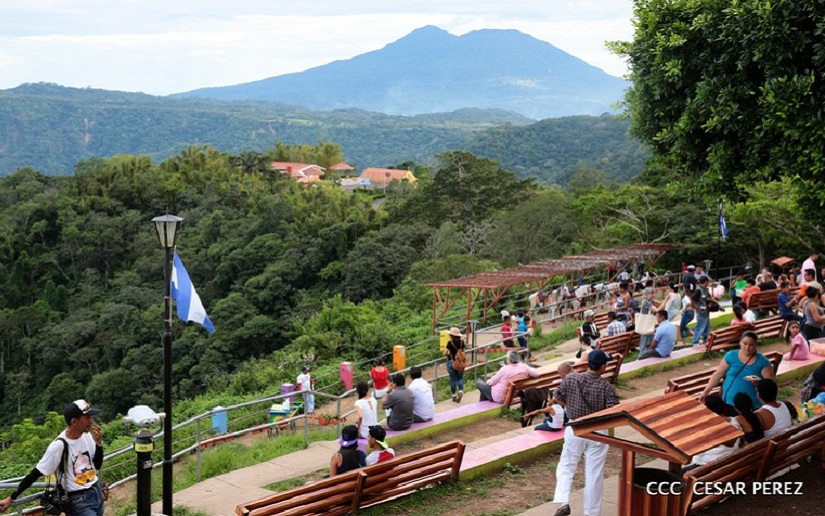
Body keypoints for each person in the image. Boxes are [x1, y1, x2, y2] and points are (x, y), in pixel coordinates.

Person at [0, 400, 105, 516]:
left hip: (96, 493)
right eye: (87, 418)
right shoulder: (58, 446)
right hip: (79, 500)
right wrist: (11, 498)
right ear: (74, 421)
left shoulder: (87, 436)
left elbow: (97, 465)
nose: (91, 421)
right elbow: (35, 473)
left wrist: (99, 444)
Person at [551, 350, 620, 516]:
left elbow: (556, 395)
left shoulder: (572, 378)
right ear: (603, 367)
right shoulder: (606, 387)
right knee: (594, 474)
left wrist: (569, 406)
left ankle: (563, 501)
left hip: (575, 427)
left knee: (567, 465)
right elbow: (615, 409)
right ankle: (592, 513)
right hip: (598, 431)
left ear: (588, 363)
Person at [700, 331, 774, 415]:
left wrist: (759, 384)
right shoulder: (731, 356)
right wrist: (705, 392)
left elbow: (769, 386)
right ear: (740, 342)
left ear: (756, 345)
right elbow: (718, 374)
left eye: (751, 345)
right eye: (745, 343)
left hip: (751, 406)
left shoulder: (763, 362)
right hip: (728, 403)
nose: (747, 347)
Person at [682, 394, 738, 472]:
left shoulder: (708, 427)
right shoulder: (735, 422)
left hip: (709, 465)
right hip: (728, 462)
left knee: (678, 473)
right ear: (724, 407)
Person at [444, 327, 466, 402]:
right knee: (460, 378)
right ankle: (460, 391)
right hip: (460, 363)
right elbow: (463, 352)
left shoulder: (450, 343)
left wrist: (448, 354)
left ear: (452, 335)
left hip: (451, 362)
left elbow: (445, 352)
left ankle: (453, 395)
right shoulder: (462, 342)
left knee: (453, 379)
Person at [691, 275, 712, 346]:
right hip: (701, 311)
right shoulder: (698, 290)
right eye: (707, 281)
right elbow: (693, 299)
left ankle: (705, 340)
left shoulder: (706, 290)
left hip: (706, 311)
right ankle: (695, 342)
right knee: (700, 327)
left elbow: (709, 298)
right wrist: (694, 308)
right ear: (705, 282)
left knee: (707, 326)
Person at [637, 287, 656, 354]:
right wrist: (665, 301)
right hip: (646, 325)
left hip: (648, 325)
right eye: (652, 294)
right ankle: (641, 355)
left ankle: (646, 354)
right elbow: (656, 310)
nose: (653, 295)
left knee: (649, 340)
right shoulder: (646, 302)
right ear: (647, 294)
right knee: (644, 341)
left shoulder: (650, 301)